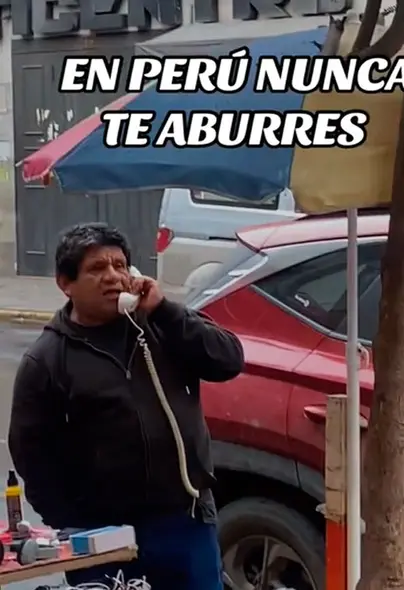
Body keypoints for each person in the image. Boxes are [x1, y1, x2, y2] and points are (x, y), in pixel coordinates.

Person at [8, 223, 245, 589]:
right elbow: (31, 453)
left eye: (120, 266)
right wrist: (73, 525)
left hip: (185, 520)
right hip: (101, 535)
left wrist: (164, 310)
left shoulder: (162, 326)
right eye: (97, 269)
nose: (113, 277)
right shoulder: (47, 359)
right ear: (65, 284)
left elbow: (228, 360)